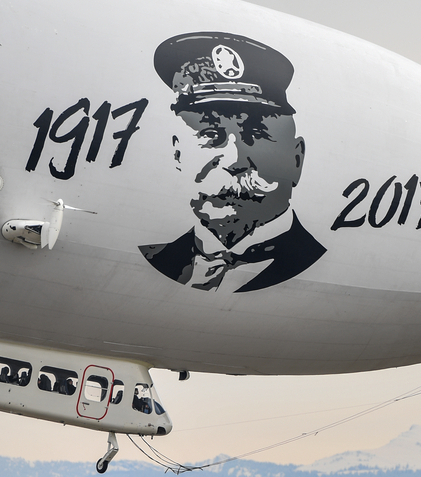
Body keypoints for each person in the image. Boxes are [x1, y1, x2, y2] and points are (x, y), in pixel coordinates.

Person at [139, 32, 326, 293]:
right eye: (210, 136)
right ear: (178, 155)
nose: (233, 160)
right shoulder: (161, 257)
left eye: (255, 135)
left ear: (297, 159)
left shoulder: (313, 258)